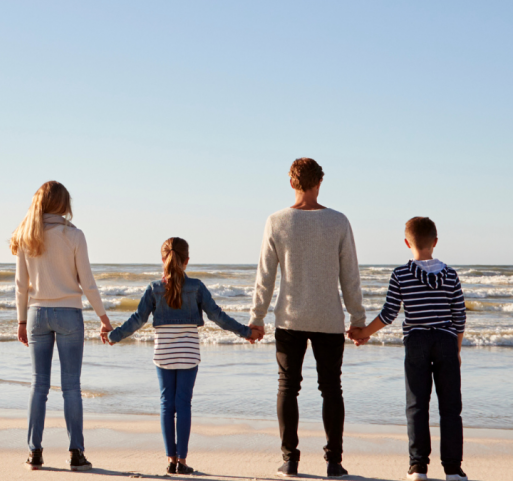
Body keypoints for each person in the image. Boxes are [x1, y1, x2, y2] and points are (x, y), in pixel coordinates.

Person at [248, 157, 366, 479]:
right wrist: (358, 319)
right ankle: (334, 462)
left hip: (289, 317)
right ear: (320, 183)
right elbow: (350, 276)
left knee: (288, 387)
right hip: (328, 318)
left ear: (291, 183)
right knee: (332, 389)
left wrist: (256, 317)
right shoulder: (339, 221)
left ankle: (290, 460)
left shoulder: (276, 220)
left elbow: (265, 276)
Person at [104, 237, 260, 475]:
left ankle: (170, 459)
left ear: (162, 259)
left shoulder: (154, 288)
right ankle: (182, 461)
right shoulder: (197, 287)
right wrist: (245, 332)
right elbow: (218, 316)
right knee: (183, 404)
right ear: (187, 261)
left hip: (163, 353)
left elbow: (138, 319)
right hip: (188, 352)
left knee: (167, 404)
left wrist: (115, 336)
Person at [350, 217, 469, 481]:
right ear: (435, 243)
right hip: (447, 340)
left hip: (416, 340)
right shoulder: (450, 274)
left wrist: (363, 333)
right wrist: (457, 349)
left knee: (417, 405)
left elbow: (389, 313)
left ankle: (418, 467)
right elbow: (459, 316)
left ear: (407, 243)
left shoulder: (401, 274)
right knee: (451, 407)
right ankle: (453, 469)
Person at [12, 180, 112, 472]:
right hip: (69, 314)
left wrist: (20, 320)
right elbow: (87, 282)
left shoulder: (26, 235)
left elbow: (21, 286)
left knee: (38, 384)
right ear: (64, 204)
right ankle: (76, 453)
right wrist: (103, 317)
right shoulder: (74, 235)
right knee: (71, 386)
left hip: (37, 314)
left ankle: (35, 453)